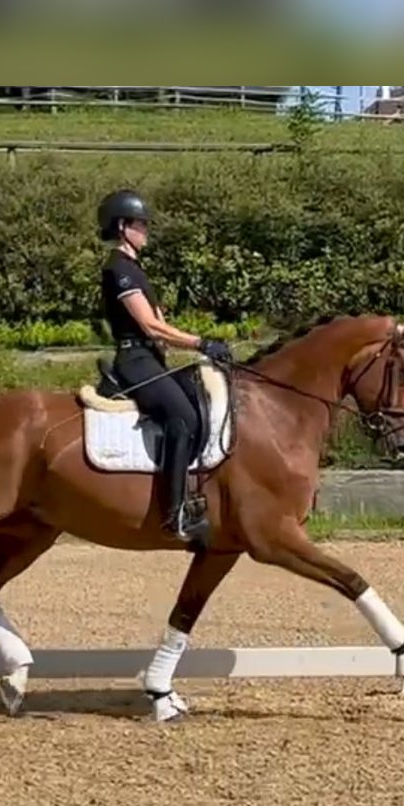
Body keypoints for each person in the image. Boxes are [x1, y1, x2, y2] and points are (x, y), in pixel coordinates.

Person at [96, 188, 234, 544]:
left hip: (152, 358)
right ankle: (174, 514)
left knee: (197, 400)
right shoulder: (118, 269)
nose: (146, 231)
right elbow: (151, 325)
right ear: (122, 226)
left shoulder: (135, 269)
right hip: (134, 359)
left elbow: (160, 325)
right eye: (140, 225)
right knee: (182, 417)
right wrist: (200, 343)